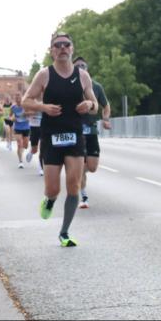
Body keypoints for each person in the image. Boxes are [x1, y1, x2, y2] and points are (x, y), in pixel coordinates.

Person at [22, 33, 98, 247]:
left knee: (73, 186)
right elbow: (25, 100)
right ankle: (50, 200)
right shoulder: (44, 75)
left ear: (72, 49)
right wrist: (43, 107)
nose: (63, 48)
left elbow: (95, 103)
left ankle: (64, 232)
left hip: (74, 136)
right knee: (53, 188)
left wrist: (90, 106)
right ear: (52, 50)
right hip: (51, 136)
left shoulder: (83, 76)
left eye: (67, 45)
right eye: (58, 45)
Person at [72, 56, 111, 209]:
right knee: (80, 164)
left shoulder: (96, 86)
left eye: (84, 65)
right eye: (78, 66)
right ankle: (84, 195)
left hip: (91, 129)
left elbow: (105, 106)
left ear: (87, 68)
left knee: (92, 167)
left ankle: (78, 171)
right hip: (75, 130)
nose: (81, 67)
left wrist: (106, 119)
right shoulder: (69, 86)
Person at [10, 94, 30, 168]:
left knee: (25, 145)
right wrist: (12, 119)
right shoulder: (13, 107)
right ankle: (20, 161)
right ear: (15, 99)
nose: (18, 99)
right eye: (16, 97)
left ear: (21, 98)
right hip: (17, 128)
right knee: (19, 144)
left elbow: (31, 114)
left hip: (26, 127)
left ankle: (24, 151)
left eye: (19, 97)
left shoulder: (25, 106)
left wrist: (26, 114)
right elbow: (10, 116)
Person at [26, 107, 44, 176]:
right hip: (34, 127)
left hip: (43, 126)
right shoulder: (31, 101)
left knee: (42, 148)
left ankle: (41, 168)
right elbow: (25, 114)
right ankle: (31, 152)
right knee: (35, 150)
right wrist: (34, 112)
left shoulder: (46, 100)